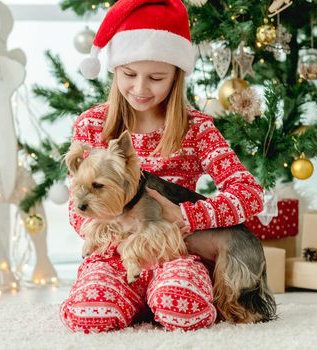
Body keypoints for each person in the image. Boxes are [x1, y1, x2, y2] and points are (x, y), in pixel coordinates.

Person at [60, 0, 264, 333]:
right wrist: (120, 226)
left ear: (176, 76)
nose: (140, 89)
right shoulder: (92, 125)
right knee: (89, 314)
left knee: (184, 310)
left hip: (176, 254)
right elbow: (77, 207)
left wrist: (188, 217)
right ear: (115, 71)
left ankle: (153, 300)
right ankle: (129, 298)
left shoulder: (197, 129)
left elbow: (251, 195)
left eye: (156, 77)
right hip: (113, 255)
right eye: (129, 74)